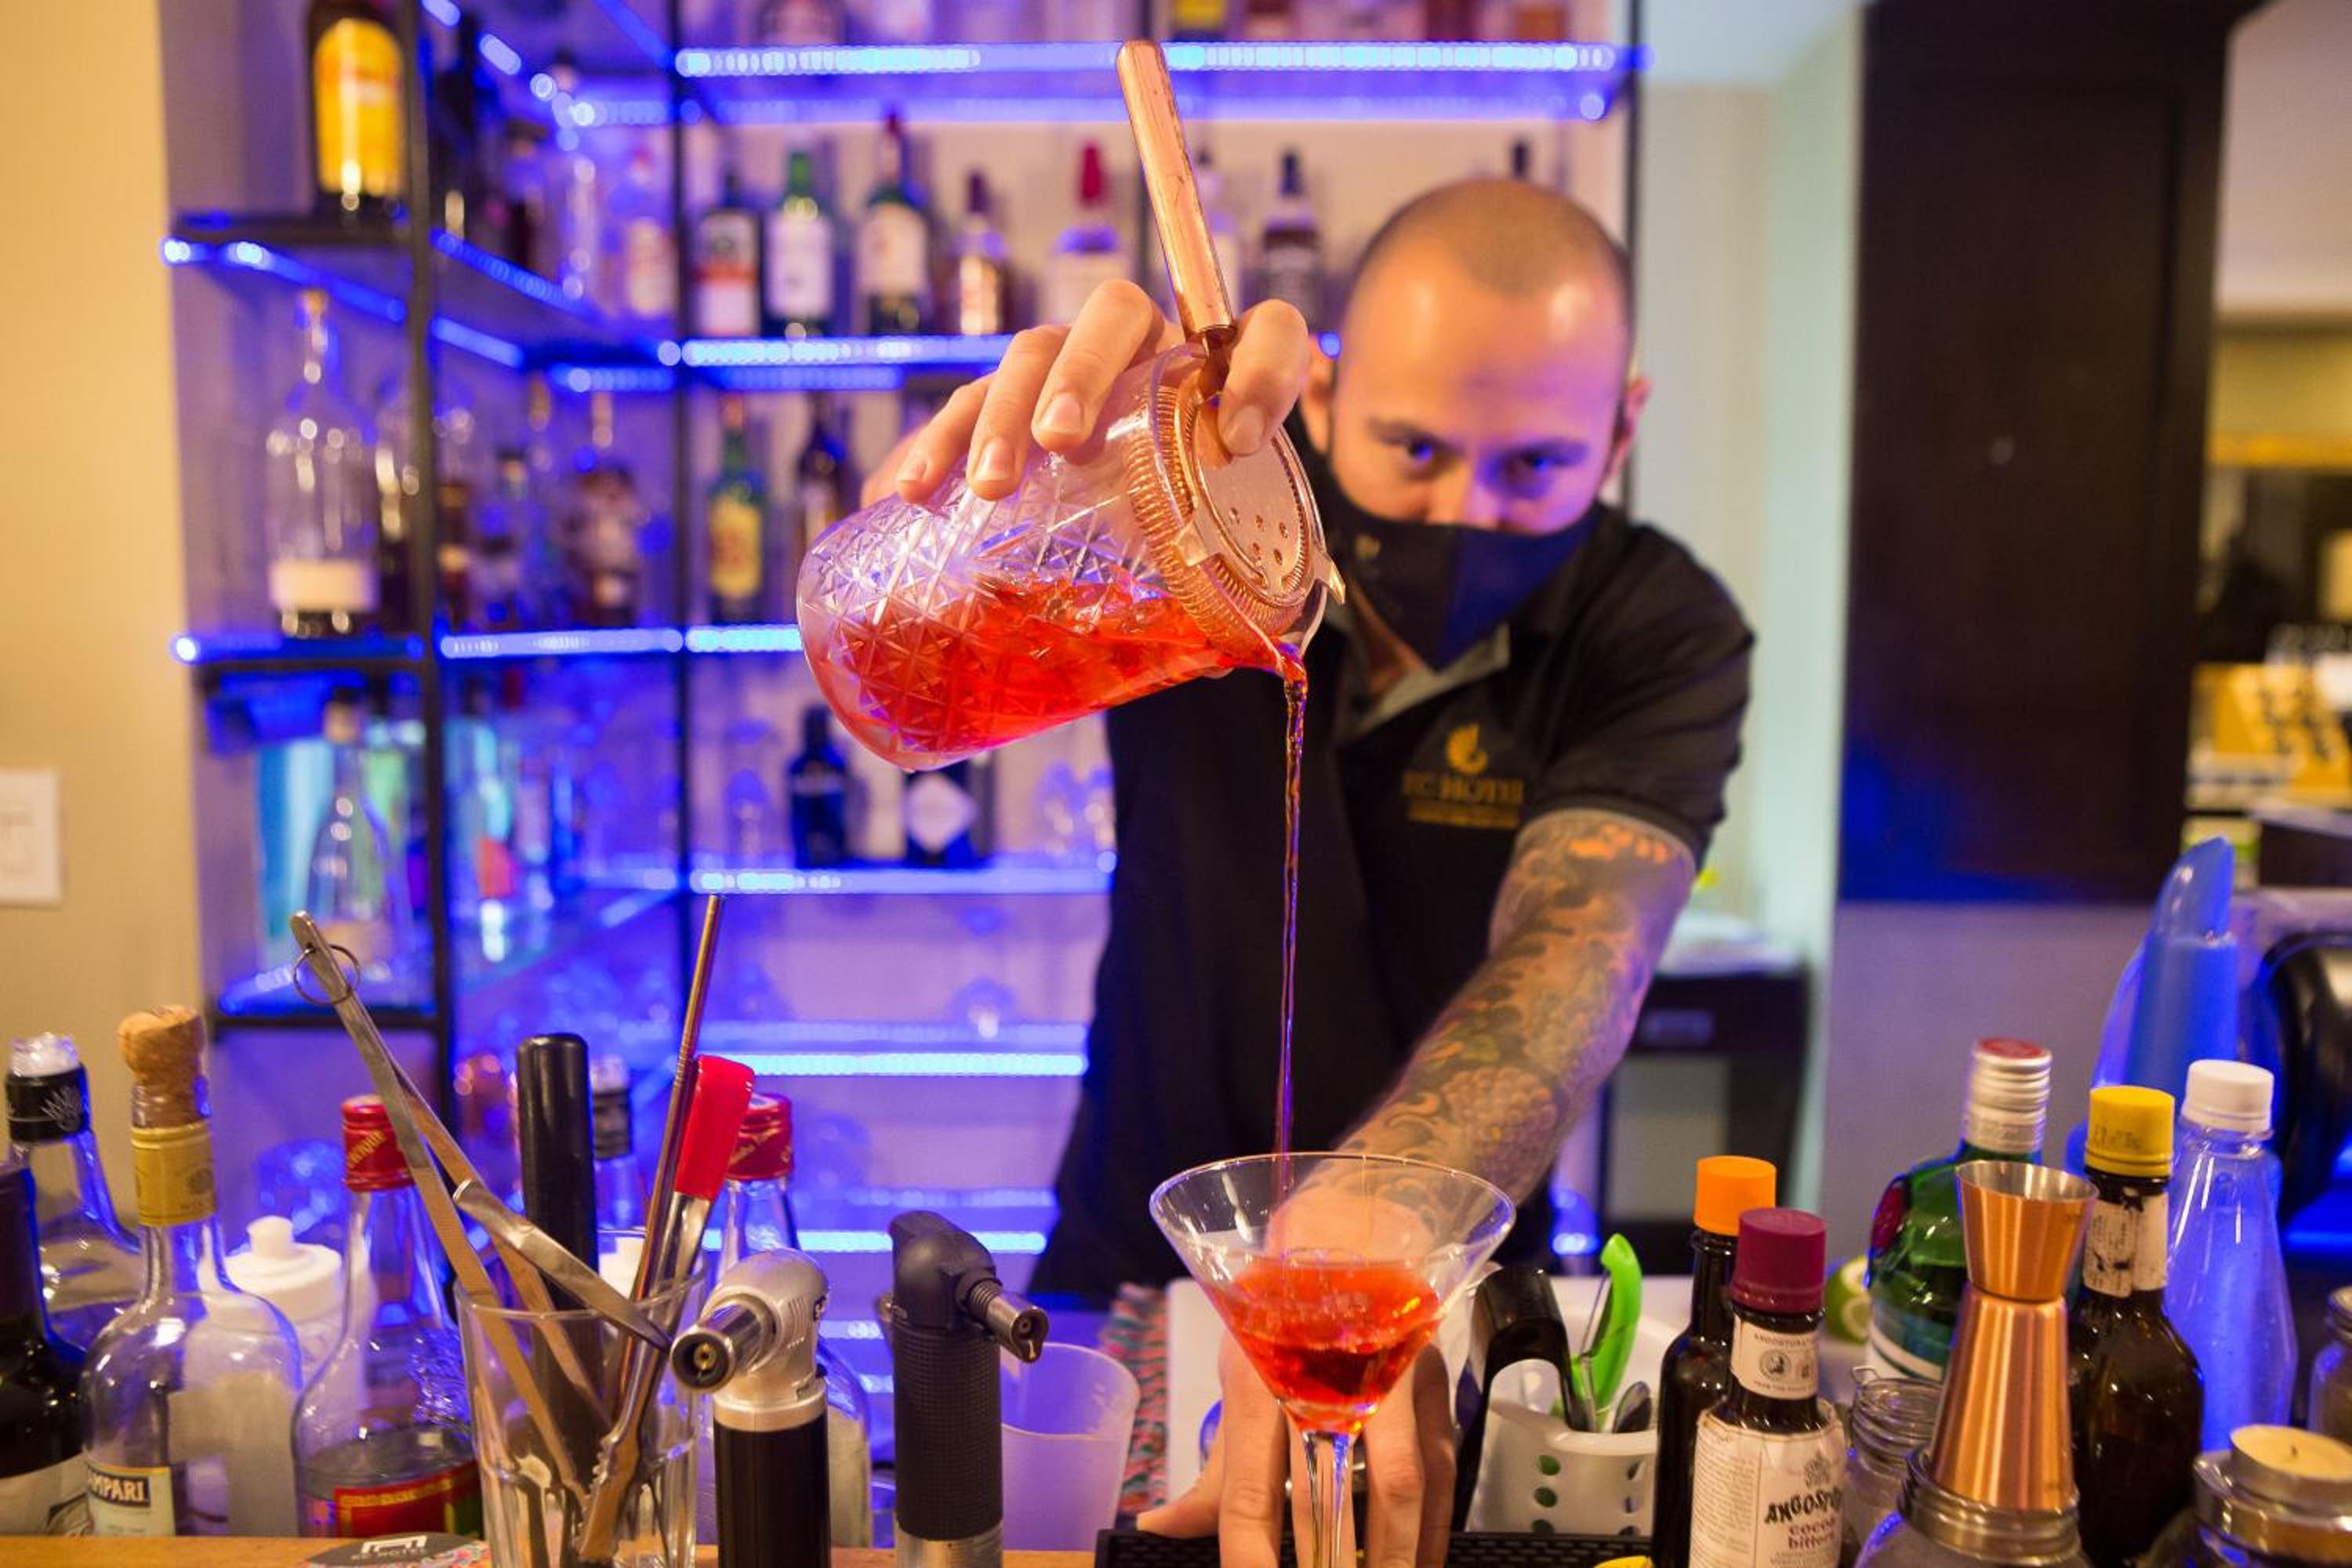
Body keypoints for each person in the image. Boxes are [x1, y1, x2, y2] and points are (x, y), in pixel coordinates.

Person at [873, 178, 1751, 1568]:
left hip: (1429, 1300)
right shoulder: (1191, 532)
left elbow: (1581, 945)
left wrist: (1370, 1241)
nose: (1465, 509)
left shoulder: (1658, 628)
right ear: (1327, 399)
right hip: (1129, 1256)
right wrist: (1028, 494)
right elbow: (911, 669)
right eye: (1415, 448)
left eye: (1534, 466)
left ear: (1623, 428)